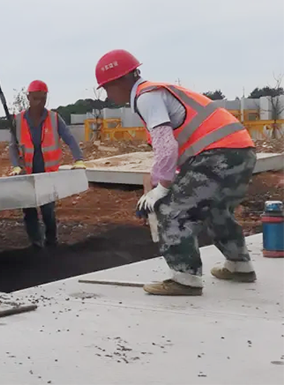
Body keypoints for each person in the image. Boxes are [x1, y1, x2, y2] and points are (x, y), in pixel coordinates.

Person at [95, 49, 256, 296]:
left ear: (119, 81)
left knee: (172, 208)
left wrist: (163, 187)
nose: (107, 94)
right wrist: (166, 177)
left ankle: (185, 278)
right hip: (240, 151)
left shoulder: (145, 97)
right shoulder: (157, 91)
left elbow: (166, 144)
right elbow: (183, 145)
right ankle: (239, 265)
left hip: (217, 154)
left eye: (106, 87)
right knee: (216, 208)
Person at [8, 79, 88, 248]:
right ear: (28, 98)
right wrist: (16, 165)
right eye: (36, 98)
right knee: (28, 210)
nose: (39, 102)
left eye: (43, 98)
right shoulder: (18, 120)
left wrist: (78, 159)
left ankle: (51, 240)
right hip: (27, 171)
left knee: (47, 210)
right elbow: (13, 146)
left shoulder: (54, 118)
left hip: (47, 172)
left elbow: (69, 138)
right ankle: (35, 242)